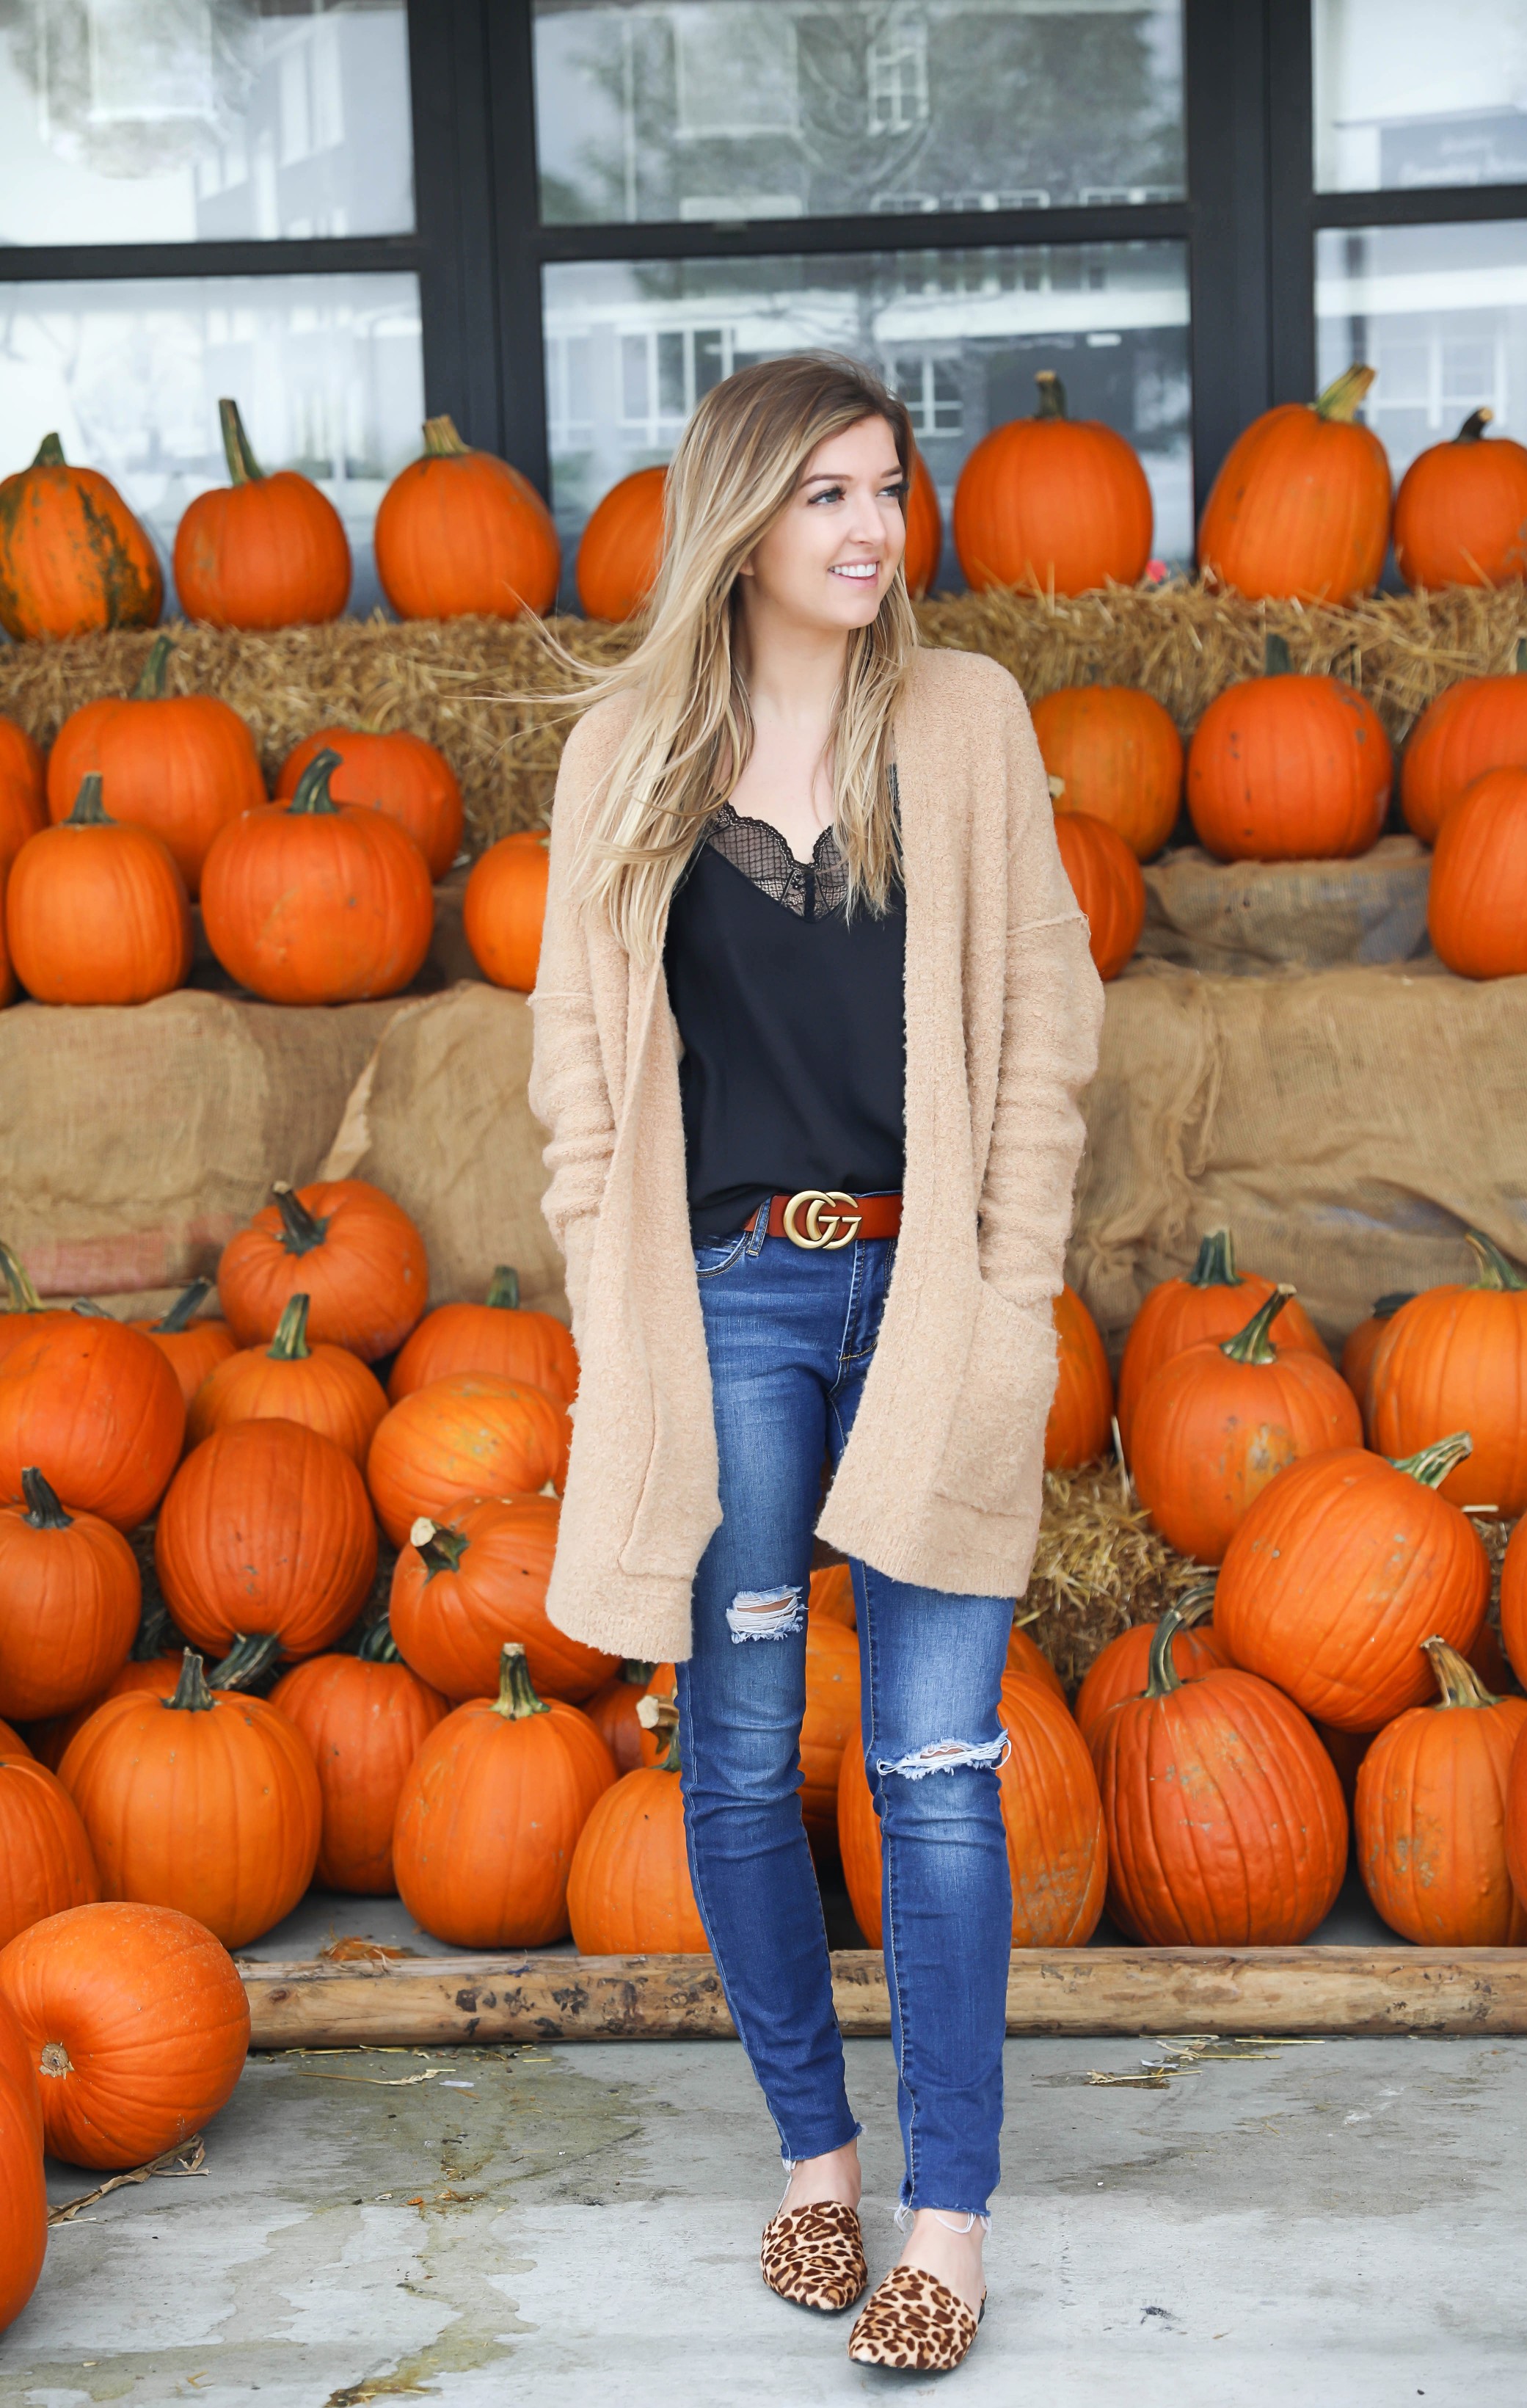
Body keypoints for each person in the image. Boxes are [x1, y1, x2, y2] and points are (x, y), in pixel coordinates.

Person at [530, 352, 1101, 2373]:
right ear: (739, 520)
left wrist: (1009, 1288)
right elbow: (579, 1090)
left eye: (887, 490)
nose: (872, 529)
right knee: (741, 1749)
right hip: (726, 1315)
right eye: (827, 495)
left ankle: (948, 2212)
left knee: (939, 1769)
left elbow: (1041, 1032)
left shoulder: (965, 723)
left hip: (921, 1303)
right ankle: (814, 2162)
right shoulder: (623, 755)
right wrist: (625, 1339)